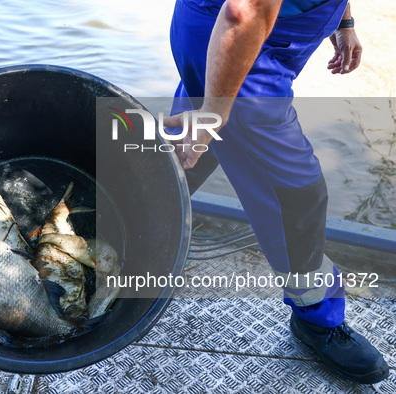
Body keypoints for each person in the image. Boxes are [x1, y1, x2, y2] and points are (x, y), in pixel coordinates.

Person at [163, 0, 389, 384]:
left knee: (185, 150)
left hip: (224, 36)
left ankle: (121, 238)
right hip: (242, 45)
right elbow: (243, 12)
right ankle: (315, 315)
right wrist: (217, 111)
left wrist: (343, 19)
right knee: (298, 196)